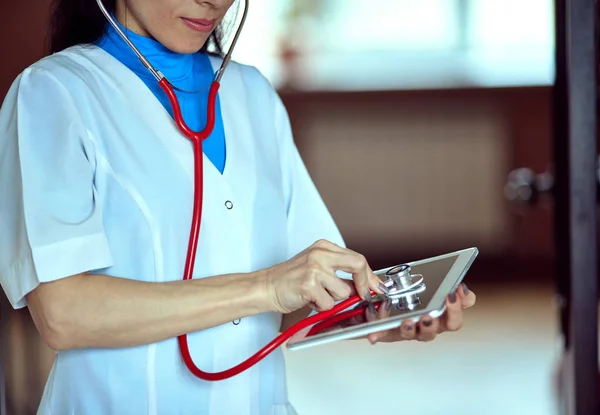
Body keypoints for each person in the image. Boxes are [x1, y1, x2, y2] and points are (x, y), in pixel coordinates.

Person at [0, 0, 476, 414]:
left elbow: (303, 295)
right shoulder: (53, 94)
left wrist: (378, 314)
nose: (214, 2)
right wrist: (266, 287)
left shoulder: (252, 95)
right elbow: (63, 314)